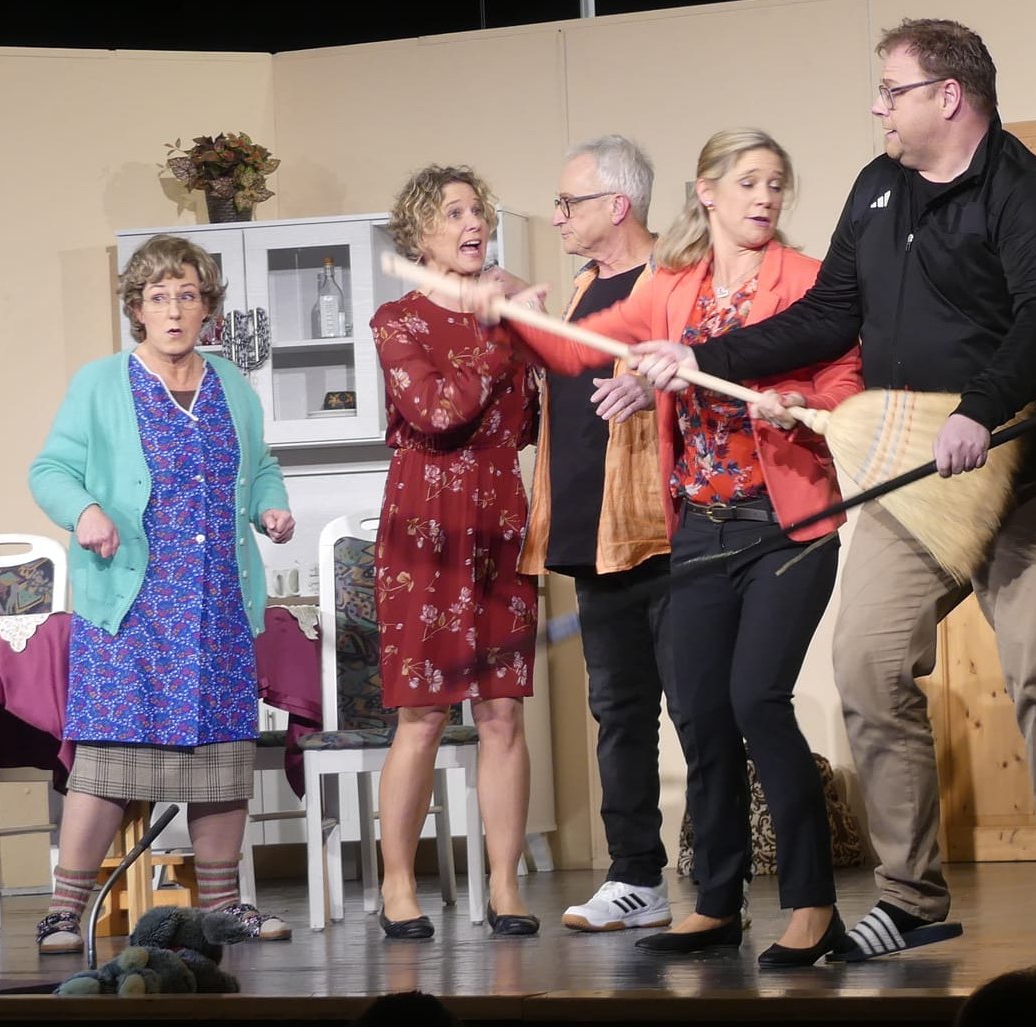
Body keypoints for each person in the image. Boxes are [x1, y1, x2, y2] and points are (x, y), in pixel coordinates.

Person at [634, 20, 1036, 966]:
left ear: (948, 96)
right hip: (924, 481)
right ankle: (909, 894)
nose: (876, 107)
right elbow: (828, 316)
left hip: (1026, 472)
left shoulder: (1024, 191)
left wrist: (979, 409)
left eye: (891, 90)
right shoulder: (876, 187)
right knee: (866, 662)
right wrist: (700, 356)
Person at [493, 129, 862, 967]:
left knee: (757, 699)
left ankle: (812, 905)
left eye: (775, 183)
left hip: (785, 523)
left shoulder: (807, 280)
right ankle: (718, 903)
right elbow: (585, 348)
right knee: (701, 709)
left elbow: (845, 375)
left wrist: (802, 402)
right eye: (749, 182)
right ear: (707, 192)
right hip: (699, 526)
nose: (765, 197)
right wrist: (519, 314)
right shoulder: (673, 285)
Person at [27, 234, 296, 954]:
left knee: (222, 760)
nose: (174, 310)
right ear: (137, 309)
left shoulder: (232, 385)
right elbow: (51, 469)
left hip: (216, 606)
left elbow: (261, 467)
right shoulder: (100, 383)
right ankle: (63, 912)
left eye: (187, 295)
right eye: (158, 297)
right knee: (107, 760)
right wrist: (85, 511)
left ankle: (224, 907)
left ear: (208, 308)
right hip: (130, 606)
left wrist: (269, 505)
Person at [368, 165, 544, 940]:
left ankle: (505, 884)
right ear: (420, 234)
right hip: (426, 525)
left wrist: (526, 321)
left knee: (503, 711)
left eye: (479, 210)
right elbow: (439, 411)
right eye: (454, 212)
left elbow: (529, 422)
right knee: (424, 714)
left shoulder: (508, 311)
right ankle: (398, 883)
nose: (474, 223)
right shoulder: (397, 321)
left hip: (501, 519)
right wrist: (498, 329)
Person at [515, 135, 679, 934]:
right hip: (590, 531)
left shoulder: (672, 280)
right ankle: (635, 876)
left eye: (568, 202)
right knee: (618, 708)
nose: (557, 216)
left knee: (699, 706)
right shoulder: (582, 288)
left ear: (618, 205)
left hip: (663, 531)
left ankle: (718, 881)